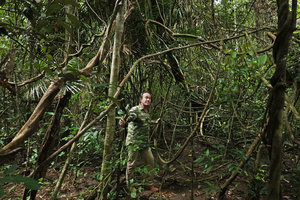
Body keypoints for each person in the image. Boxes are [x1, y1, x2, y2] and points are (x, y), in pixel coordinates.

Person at [119, 92, 160, 191]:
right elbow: (130, 117)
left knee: (150, 161)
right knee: (132, 163)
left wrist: (155, 122)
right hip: (134, 142)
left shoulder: (146, 112)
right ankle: (130, 186)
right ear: (141, 99)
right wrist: (123, 122)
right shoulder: (135, 110)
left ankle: (148, 183)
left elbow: (146, 122)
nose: (148, 100)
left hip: (144, 143)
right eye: (146, 98)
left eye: (149, 98)